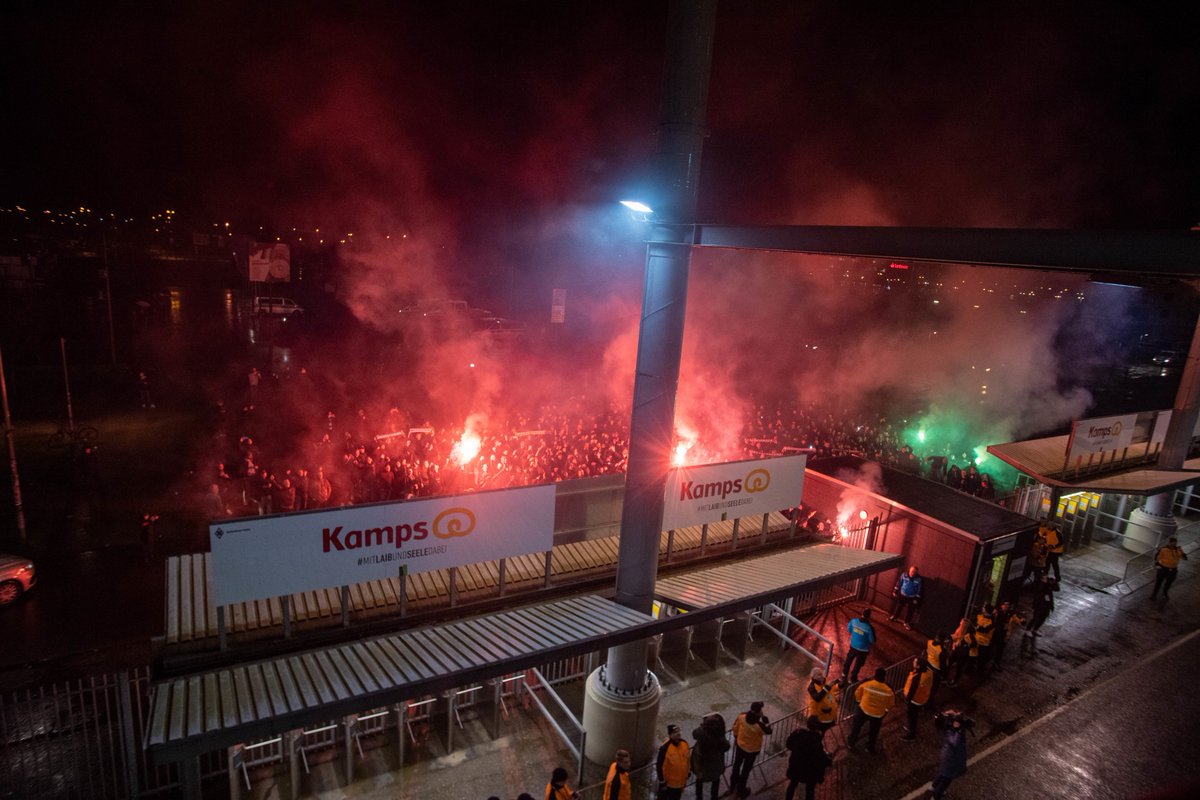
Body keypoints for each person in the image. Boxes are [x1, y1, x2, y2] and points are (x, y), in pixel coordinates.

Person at [784, 716, 832, 800]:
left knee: (792, 785)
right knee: (809, 791)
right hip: (809, 772)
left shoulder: (798, 733)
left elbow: (788, 744)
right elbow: (819, 760)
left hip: (796, 767)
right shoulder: (816, 742)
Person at [848, 667, 894, 753]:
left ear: (875, 675)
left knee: (856, 727)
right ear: (884, 677)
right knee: (874, 732)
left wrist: (859, 702)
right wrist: (885, 711)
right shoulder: (888, 690)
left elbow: (857, 693)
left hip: (863, 710)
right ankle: (870, 747)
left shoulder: (867, 684)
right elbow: (890, 704)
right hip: (877, 714)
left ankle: (851, 743)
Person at [731, 701, 772, 797]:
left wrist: (737, 737)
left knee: (736, 765)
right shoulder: (759, 726)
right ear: (759, 712)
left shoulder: (742, 717)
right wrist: (764, 718)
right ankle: (741, 790)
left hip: (740, 746)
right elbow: (769, 731)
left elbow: (735, 728)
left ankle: (733, 785)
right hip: (752, 751)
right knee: (745, 771)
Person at [929, 710, 972, 799]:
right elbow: (955, 743)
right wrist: (960, 730)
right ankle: (936, 796)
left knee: (942, 773)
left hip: (947, 755)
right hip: (951, 759)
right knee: (946, 780)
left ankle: (934, 786)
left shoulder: (948, 728)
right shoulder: (952, 732)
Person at [691, 712, 729, 800]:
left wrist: (703, 725)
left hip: (701, 765)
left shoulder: (702, 733)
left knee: (699, 781)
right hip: (715, 766)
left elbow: (694, 733)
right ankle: (714, 797)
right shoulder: (720, 738)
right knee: (716, 781)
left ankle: (699, 798)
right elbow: (726, 747)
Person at [1023, 572, 1055, 656]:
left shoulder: (1048, 585)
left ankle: (1035, 629)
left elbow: (1053, 591)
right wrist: (1044, 584)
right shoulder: (1039, 585)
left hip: (1046, 605)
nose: (1046, 579)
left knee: (1042, 618)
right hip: (1039, 605)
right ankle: (1028, 630)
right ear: (1041, 578)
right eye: (1045, 578)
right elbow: (1039, 592)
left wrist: (1051, 605)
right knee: (1035, 618)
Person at [901, 657, 933, 740]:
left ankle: (911, 734)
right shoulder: (929, 672)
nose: (913, 662)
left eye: (915, 662)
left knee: (912, 716)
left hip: (915, 700)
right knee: (913, 715)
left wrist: (907, 700)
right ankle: (910, 727)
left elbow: (912, 690)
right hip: (923, 698)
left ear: (918, 666)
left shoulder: (917, 677)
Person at [655, 723, 690, 800]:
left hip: (680, 784)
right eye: (675, 732)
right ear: (670, 735)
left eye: (679, 731)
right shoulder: (665, 749)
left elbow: (687, 761)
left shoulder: (684, 744)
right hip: (669, 785)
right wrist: (662, 783)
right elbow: (660, 767)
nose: (678, 734)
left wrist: (687, 773)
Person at [842, 608, 876, 683]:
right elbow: (872, 640)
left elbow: (849, 629)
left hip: (853, 646)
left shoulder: (854, 621)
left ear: (862, 614)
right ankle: (853, 678)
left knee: (848, 660)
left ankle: (844, 674)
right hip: (863, 650)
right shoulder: (869, 628)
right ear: (869, 617)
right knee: (858, 664)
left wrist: (855, 634)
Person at [805, 668, 841, 739]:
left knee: (825, 733)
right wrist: (827, 687)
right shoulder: (811, 687)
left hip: (831, 715)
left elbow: (833, 689)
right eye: (819, 675)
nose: (821, 676)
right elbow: (817, 698)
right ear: (813, 677)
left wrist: (839, 686)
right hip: (820, 717)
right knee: (818, 735)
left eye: (821, 674)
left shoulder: (825, 680)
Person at [1151, 536, 1188, 600]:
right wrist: (1157, 565)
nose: (1174, 544)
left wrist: (1184, 556)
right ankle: (1154, 595)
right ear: (1169, 543)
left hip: (1173, 569)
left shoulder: (1178, 549)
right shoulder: (1163, 549)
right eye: (1172, 543)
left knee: (1169, 583)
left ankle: (1164, 594)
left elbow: (1183, 556)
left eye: (1175, 543)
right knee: (1158, 582)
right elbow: (1157, 558)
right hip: (1163, 568)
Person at [890, 565, 924, 630]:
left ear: (916, 572)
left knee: (910, 611)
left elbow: (920, 590)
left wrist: (916, 599)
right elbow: (899, 583)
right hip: (902, 595)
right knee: (899, 607)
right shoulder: (904, 575)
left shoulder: (919, 579)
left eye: (914, 572)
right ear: (909, 570)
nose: (912, 573)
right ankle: (895, 617)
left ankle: (906, 623)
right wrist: (895, 590)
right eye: (912, 571)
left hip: (912, 597)